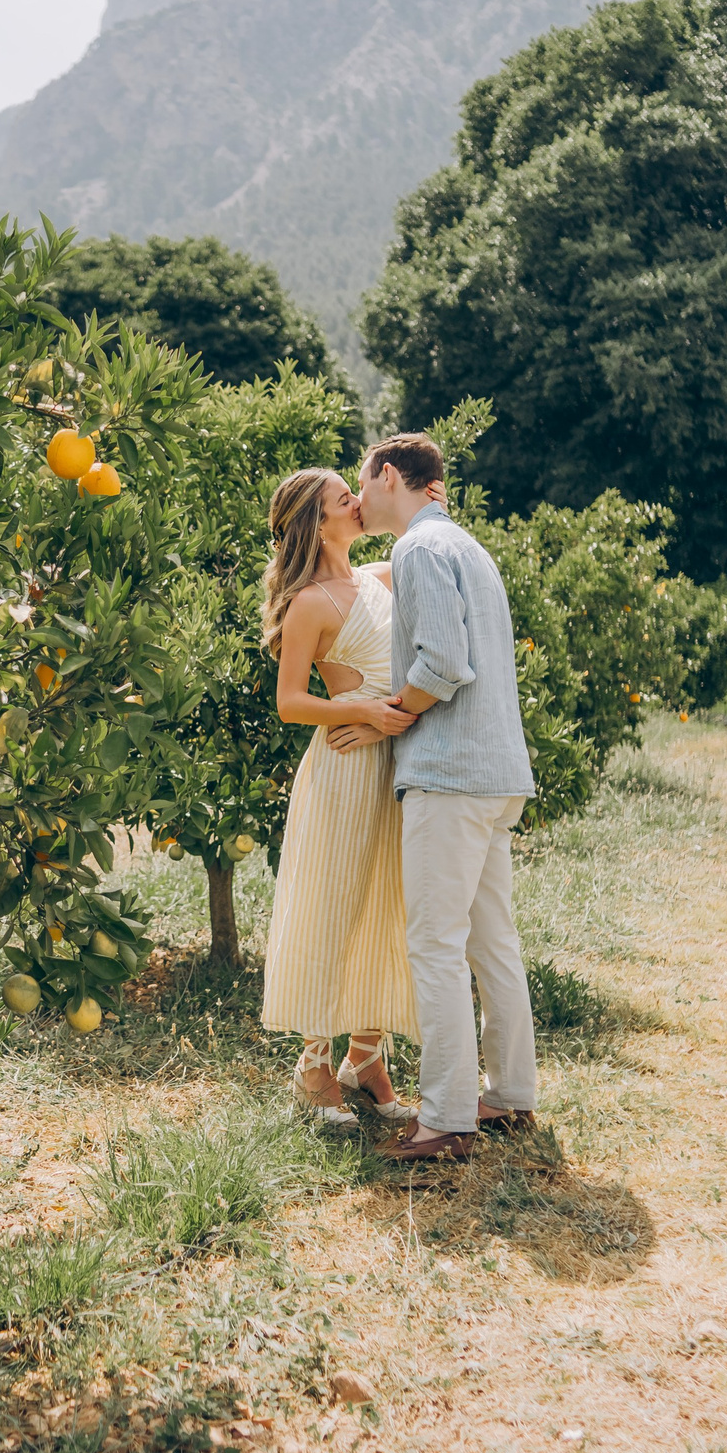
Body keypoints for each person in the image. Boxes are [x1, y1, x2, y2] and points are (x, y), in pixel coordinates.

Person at [350, 433, 539, 1164]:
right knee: (494, 942)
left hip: (449, 774)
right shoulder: (464, 546)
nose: (357, 497)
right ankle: (510, 1093)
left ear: (388, 474)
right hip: (497, 775)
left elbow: (444, 663)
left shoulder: (417, 550)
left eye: (361, 480)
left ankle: (446, 1118)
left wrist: (394, 709)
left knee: (435, 945)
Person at [256, 467, 424, 1126]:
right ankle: (315, 1066)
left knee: (389, 903)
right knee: (333, 904)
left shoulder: (378, 577)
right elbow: (290, 701)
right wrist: (357, 707)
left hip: (394, 760)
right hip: (346, 765)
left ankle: (366, 1055)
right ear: (317, 524)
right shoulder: (310, 603)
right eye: (342, 501)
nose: (358, 505)